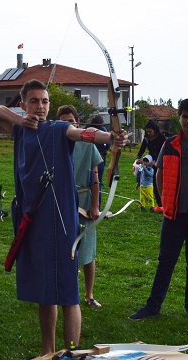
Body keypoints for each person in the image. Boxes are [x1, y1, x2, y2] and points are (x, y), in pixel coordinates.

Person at [0, 80, 127, 355]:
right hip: (32, 222)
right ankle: (48, 351)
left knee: (69, 295)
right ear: (23, 103)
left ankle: (71, 352)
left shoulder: (59, 128)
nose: (40, 106)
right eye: (34, 101)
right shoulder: (19, 128)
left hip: (61, 223)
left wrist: (110, 138)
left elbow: (82, 133)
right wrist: (20, 120)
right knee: (44, 293)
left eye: (45, 101)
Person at [129, 98, 188, 321]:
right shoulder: (169, 145)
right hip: (173, 216)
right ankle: (153, 306)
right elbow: (160, 174)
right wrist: (166, 201)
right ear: (180, 119)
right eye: (185, 116)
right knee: (165, 261)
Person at [57, 106, 103, 309]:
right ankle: (60, 291)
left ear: (78, 122)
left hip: (83, 202)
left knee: (88, 251)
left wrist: (95, 205)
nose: (69, 125)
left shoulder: (87, 143)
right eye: (64, 122)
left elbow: (95, 178)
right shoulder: (55, 142)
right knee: (62, 249)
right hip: (60, 201)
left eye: (72, 121)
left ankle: (89, 294)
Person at [136, 119, 166, 211]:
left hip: (162, 161)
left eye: (150, 131)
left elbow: (165, 151)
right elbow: (142, 149)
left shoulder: (162, 138)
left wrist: (157, 161)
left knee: (162, 182)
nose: (149, 133)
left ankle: (165, 203)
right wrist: (138, 157)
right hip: (151, 160)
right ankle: (160, 205)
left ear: (155, 130)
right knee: (154, 183)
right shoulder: (146, 138)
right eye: (147, 131)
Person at [87, 114, 108, 208]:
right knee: (95, 183)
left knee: (95, 183)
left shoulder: (100, 130)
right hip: (96, 159)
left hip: (98, 159)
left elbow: (107, 143)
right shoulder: (89, 130)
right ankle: (95, 206)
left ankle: (95, 207)